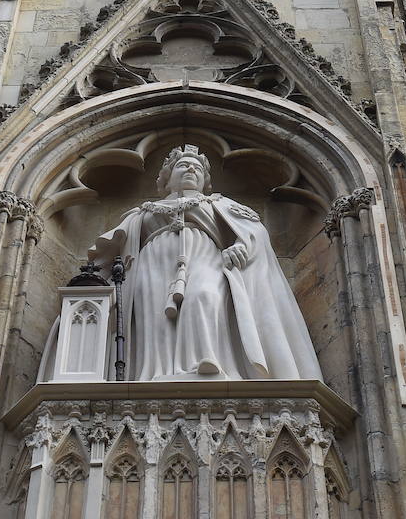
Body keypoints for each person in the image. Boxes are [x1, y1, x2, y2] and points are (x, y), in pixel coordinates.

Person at [81, 145, 322, 382]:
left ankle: (206, 362)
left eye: (197, 168)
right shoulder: (143, 212)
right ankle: (154, 373)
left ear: (205, 180)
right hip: (153, 262)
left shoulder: (219, 204)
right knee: (154, 313)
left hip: (205, 256)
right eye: (183, 166)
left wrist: (241, 246)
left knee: (205, 296)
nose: (190, 171)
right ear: (167, 177)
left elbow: (254, 231)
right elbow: (111, 248)